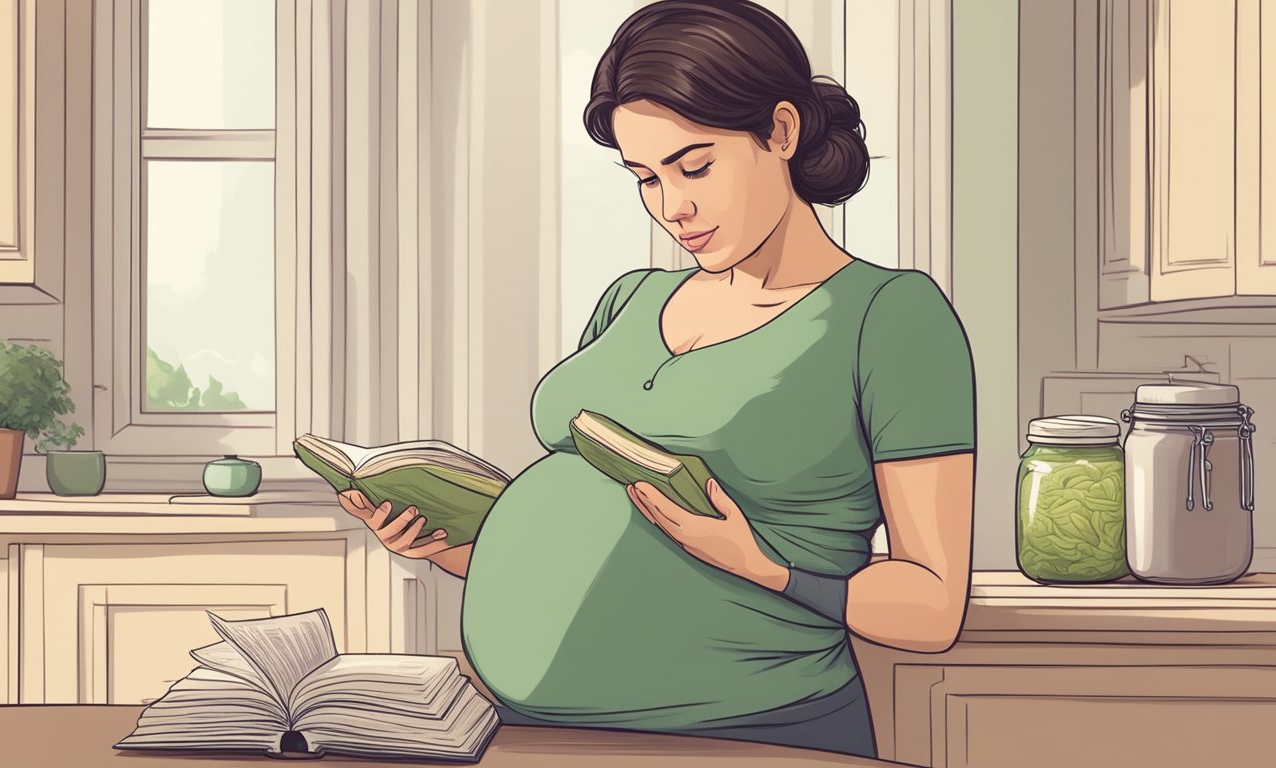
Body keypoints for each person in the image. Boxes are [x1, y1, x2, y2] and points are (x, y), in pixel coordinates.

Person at [338, 0, 975, 758]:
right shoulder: (630, 298)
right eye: (645, 178)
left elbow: (932, 607)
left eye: (694, 166)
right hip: (524, 731)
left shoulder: (891, 317)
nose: (674, 208)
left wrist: (764, 566)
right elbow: (613, 547)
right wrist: (447, 544)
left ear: (780, 131)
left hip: (748, 734)